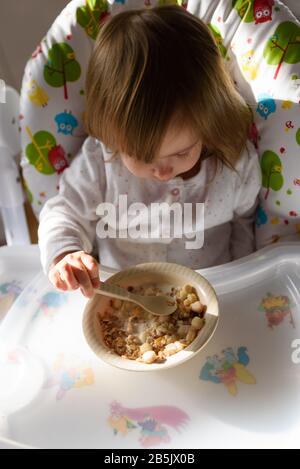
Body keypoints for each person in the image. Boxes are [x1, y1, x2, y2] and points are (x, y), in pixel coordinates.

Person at [38, 5, 261, 298]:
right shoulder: (101, 161)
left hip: (214, 296)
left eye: (181, 152)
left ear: (209, 123)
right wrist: (65, 254)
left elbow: (245, 224)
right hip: (121, 300)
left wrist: (243, 284)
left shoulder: (233, 163)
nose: (163, 171)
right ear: (113, 135)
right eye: (142, 157)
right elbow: (63, 212)